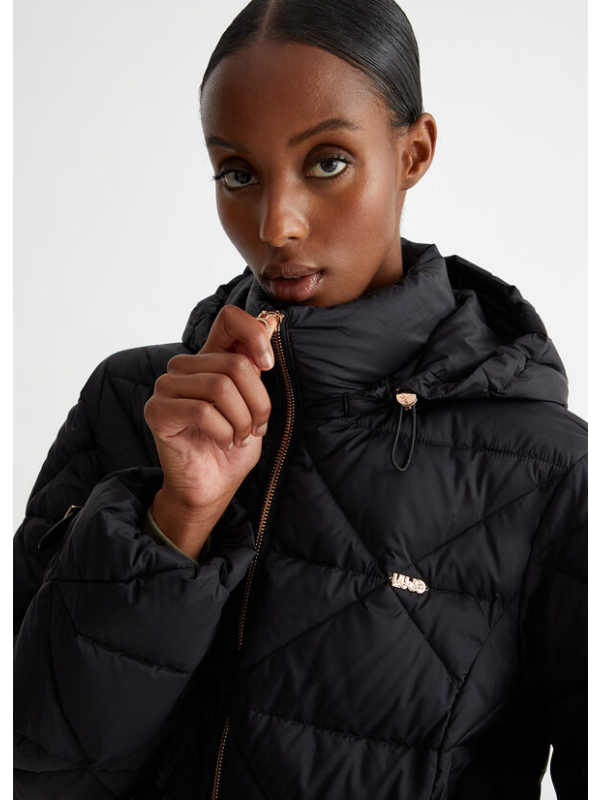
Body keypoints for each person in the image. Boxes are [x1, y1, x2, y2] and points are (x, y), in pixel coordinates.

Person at [13, 1, 587, 798]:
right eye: (237, 174)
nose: (275, 224)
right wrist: (175, 524)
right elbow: (40, 773)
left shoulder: (549, 472)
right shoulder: (132, 405)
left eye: (327, 162)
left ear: (414, 152)